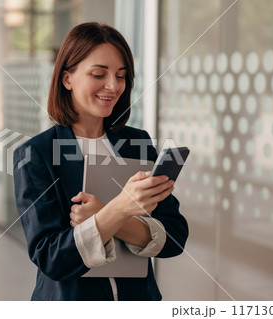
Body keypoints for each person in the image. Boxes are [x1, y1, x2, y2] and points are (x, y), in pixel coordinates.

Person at [13, 22, 188, 301]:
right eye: (98, 74)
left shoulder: (137, 143)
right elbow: (51, 258)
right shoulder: (36, 154)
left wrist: (107, 215)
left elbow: (176, 237)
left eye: (121, 76)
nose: (113, 86)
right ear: (67, 79)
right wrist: (120, 209)